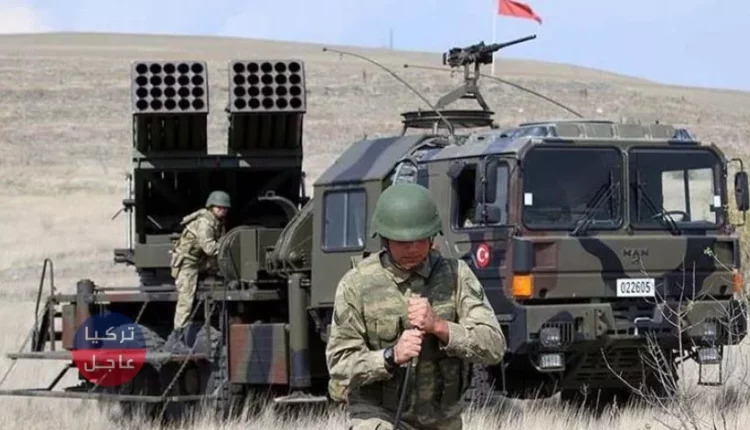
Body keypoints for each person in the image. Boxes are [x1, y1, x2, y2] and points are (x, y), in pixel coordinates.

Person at [325, 182, 506, 430]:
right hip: (379, 414)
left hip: (441, 419)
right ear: (385, 239)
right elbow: (339, 364)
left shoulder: (457, 276)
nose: (412, 248)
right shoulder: (357, 284)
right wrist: (390, 356)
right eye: (402, 241)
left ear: (432, 237)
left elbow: (494, 346)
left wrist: (441, 327)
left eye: (420, 240)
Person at [164, 190, 231, 353]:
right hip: (187, 263)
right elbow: (209, 248)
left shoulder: (217, 222)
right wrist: (227, 246)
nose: (222, 211)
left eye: (225, 208)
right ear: (211, 207)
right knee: (186, 300)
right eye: (219, 208)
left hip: (199, 260)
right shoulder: (205, 223)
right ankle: (176, 339)